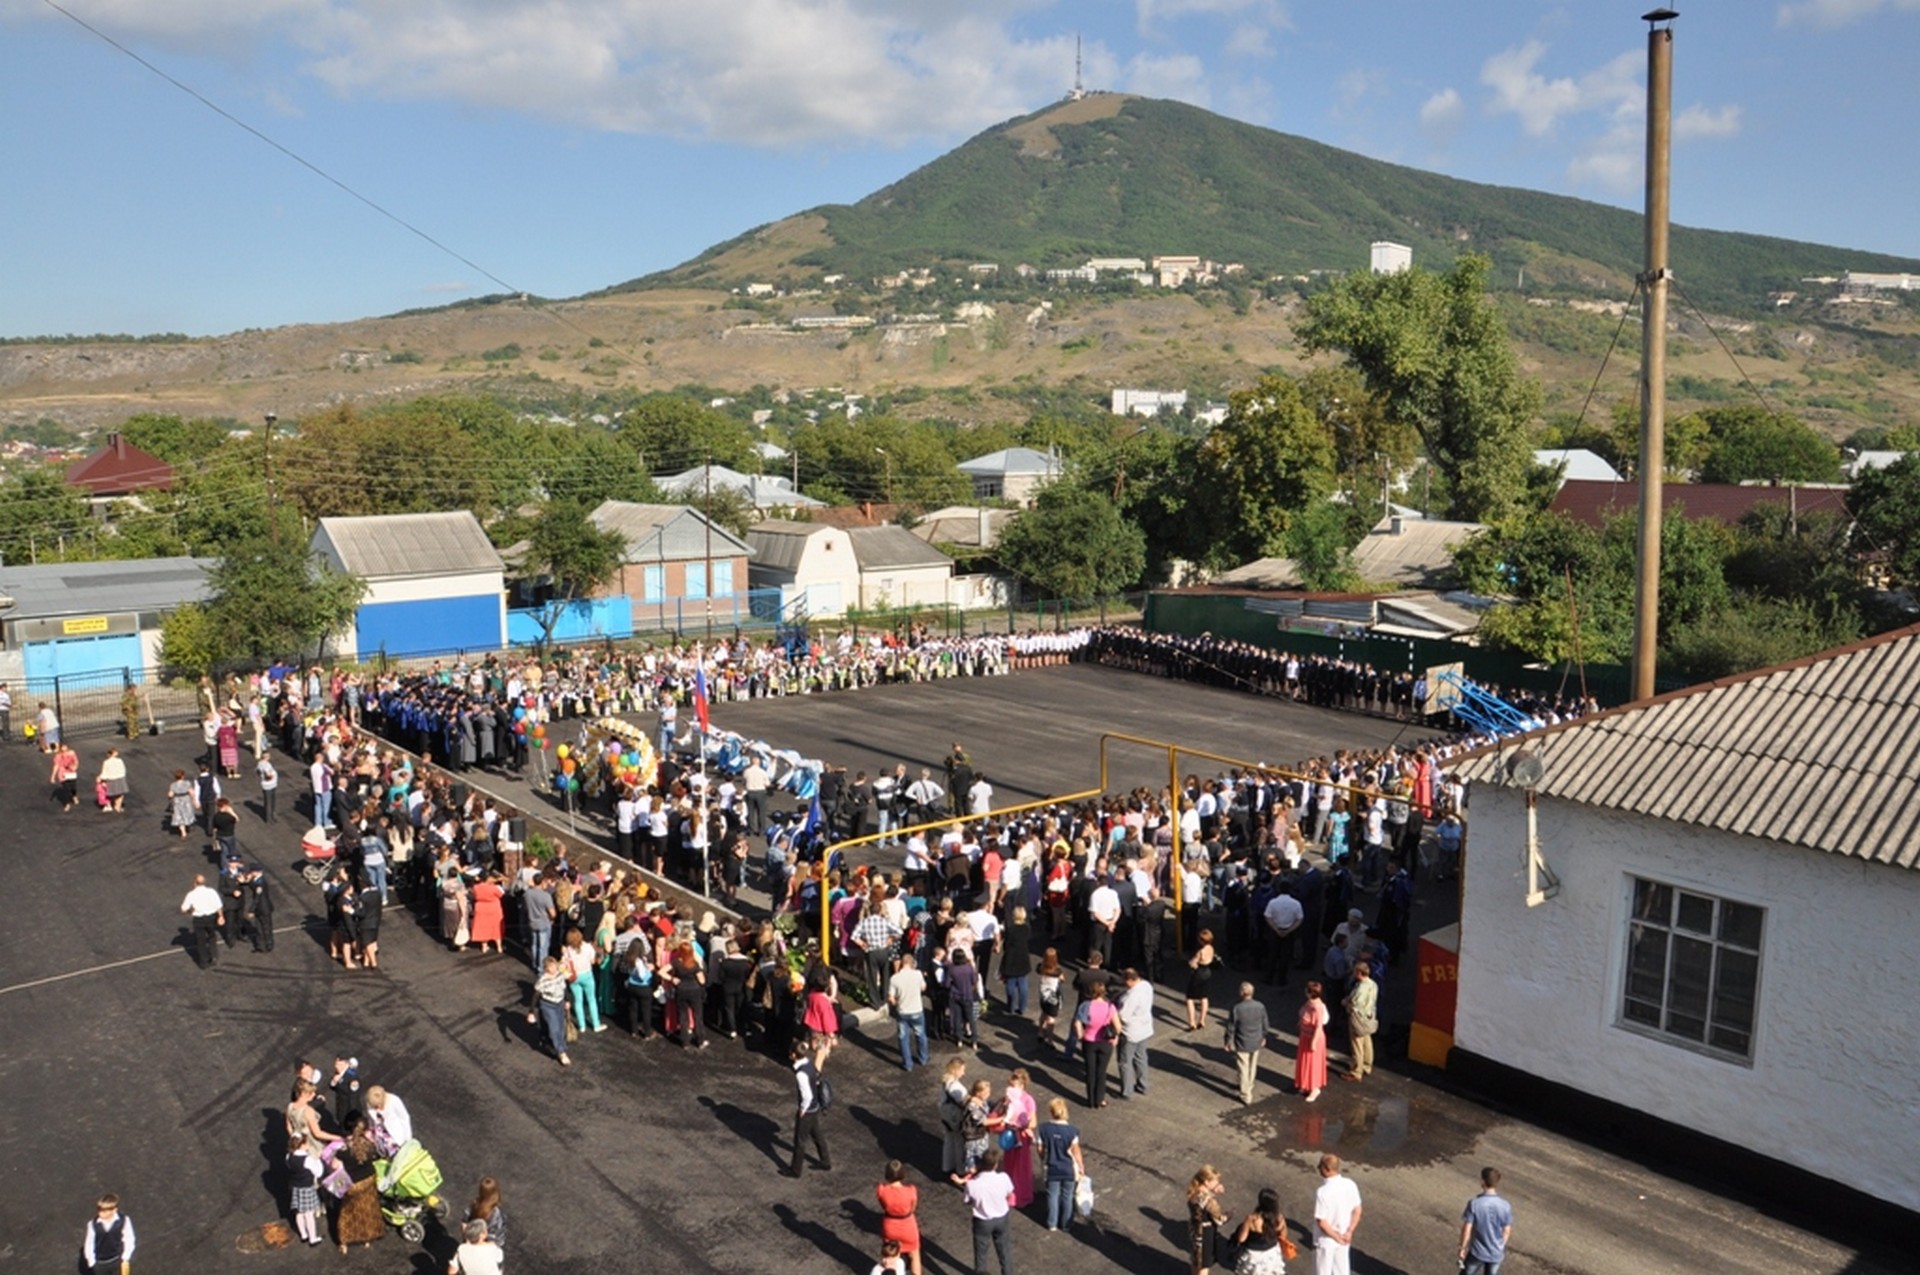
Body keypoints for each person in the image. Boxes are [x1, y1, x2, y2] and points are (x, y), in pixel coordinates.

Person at [332, 1114, 384, 1252]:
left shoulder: (344, 1150)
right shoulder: (370, 1145)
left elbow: (334, 1166)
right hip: (368, 1180)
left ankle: (344, 1242)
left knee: (347, 1212)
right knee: (367, 1209)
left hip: (352, 1184)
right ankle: (366, 1238)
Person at [962, 1147, 1015, 1275]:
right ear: (995, 1164)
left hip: (982, 1221)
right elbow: (1009, 1194)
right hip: (1002, 1217)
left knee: (981, 1254)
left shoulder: (972, 1184)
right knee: (1004, 1252)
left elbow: (967, 1201)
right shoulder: (1003, 1178)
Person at [1033, 1097, 1083, 1233]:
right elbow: (1076, 1151)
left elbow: (1040, 1148)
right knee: (1067, 1196)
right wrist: (1081, 1167)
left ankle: (1052, 1223)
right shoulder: (1072, 1130)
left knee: (1052, 1195)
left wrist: (1043, 1157)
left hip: (1051, 1167)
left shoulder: (1043, 1129)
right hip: (1068, 1168)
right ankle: (1066, 1224)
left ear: (1051, 1111)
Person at [785, 1038, 832, 1176]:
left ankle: (795, 1170)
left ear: (794, 1055)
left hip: (808, 1110)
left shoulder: (800, 1073)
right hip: (815, 1107)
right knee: (817, 1135)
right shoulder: (808, 1063)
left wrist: (802, 1109)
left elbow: (807, 1095)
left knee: (799, 1141)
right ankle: (825, 1161)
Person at [1312, 1153, 1362, 1275]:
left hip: (1326, 1239)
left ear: (1327, 1169)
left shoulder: (1322, 1192)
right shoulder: (1350, 1184)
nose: (1319, 1169)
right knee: (1341, 1271)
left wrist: (1335, 1236)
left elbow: (1321, 1221)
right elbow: (1357, 1210)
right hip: (1345, 1236)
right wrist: (1349, 1231)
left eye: (1320, 1166)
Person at [1224, 982, 1272, 1106]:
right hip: (1256, 1040)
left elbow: (1231, 1026)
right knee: (1252, 1066)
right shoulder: (1260, 1006)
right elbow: (1265, 1023)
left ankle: (1246, 1094)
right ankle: (1249, 1085)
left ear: (1242, 993)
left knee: (1243, 1067)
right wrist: (1264, 1036)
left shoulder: (1237, 1008)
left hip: (1242, 1042)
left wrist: (1228, 1041)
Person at [997, 1067, 1038, 1208]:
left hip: (1021, 1135)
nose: (1010, 1087)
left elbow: (1033, 1122)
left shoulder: (1028, 1100)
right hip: (1010, 1135)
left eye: (1013, 1085)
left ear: (1022, 1085)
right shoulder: (1009, 1097)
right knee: (1009, 1164)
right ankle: (1009, 1193)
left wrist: (1020, 1125)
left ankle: (1021, 1196)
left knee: (1020, 1167)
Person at [1460, 1167, 1513, 1275]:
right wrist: (1500, 1246)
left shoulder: (1474, 1204)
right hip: (1496, 1253)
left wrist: (1462, 1247)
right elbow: (1506, 1230)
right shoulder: (1505, 1206)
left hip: (1477, 1252)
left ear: (1483, 1181)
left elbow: (1467, 1229)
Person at [1074, 981, 1118, 1108]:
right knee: (1101, 1071)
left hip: (1089, 1041)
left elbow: (1077, 1023)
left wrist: (1081, 1036)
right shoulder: (1110, 1006)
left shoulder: (1085, 1005)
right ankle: (1100, 1100)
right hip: (1105, 1042)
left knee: (1090, 1071)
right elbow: (1118, 1026)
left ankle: (1091, 1100)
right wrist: (1115, 1037)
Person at [874, 1160, 923, 1275]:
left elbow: (883, 1206)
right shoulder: (911, 1190)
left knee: (891, 1256)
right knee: (914, 1254)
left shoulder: (882, 1190)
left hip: (890, 1225)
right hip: (907, 1224)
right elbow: (913, 1208)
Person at [1231, 1186, 1291, 1275]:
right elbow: (1283, 1235)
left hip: (1253, 1255)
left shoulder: (1252, 1219)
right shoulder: (1278, 1218)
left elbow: (1241, 1238)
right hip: (1271, 1253)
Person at [1115, 966, 1155, 1100]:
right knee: (1141, 1057)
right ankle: (1143, 1085)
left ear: (1130, 980)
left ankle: (1127, 1091)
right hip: (1145, 1028)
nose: (1124, 984)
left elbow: (1123, 1016)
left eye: (1125, 981)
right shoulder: (1146, 986)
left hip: (1130, 1032)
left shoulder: (1132, 996)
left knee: (1124, 1062)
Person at [888, 953, 929, 1072]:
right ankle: (923, 1058)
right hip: (917, 1010)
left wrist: (896, 1004)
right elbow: (923, 988)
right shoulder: (917, 974)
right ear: (912, 963)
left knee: (903, 1038)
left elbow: (891, 997)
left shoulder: (894, 978)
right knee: (920, 1035)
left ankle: (908, 1064)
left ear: (902, 963)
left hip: (902, 1011)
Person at [527, 956, 571, 1067]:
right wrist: (531, 1011)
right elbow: (535, 996)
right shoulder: (543, 980)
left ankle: (559, 1044)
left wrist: (567, 1000)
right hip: (548, 1005)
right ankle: (561, 1052)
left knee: (560, 1027)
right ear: (546, 968)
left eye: (555, 965)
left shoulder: (560, 974)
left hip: (559, 1003)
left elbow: (564, 988)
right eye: (552, 967)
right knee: (554, 1027)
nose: (554, 968)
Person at [1186, 1165, 1229, 1275]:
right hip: (1205, 1234)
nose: (1218, 1183)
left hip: (1195, 1230)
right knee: (1204, 1265)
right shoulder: (1209, 1200)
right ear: (1206, 1182)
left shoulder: (1193, 1192)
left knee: (1196, 1261)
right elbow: (1220, 1219)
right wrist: (1229, 1215)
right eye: (1215, 1181)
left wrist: (1214, 1191)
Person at [1341, 961, 1378, 1083]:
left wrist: (1346, 1003)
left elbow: (1355, 1004)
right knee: (1367, 1041)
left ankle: (1357, 1071)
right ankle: (1367, 1065)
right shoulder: (1373, 984)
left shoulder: (1361, 987)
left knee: (1357, 1044)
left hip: (1357, 1018)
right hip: (1368, 1017)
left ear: (1359, 973)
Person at [286, 1132, 325, 1247]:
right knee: (309, 1214)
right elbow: (318, 1172)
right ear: (302, 1145)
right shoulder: (307, 1159)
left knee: (299, 1212)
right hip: (307, 1188)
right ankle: (313, 1238)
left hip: (295, 1187)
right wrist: (317, 1160)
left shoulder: (289, 1157)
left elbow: (289, 1166)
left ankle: (303, 1235)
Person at [80, 1193, 135, 1273]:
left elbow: (129, 1238)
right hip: (100, 1263)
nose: (100, 1214)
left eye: (104, 1211)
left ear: (114, 1210)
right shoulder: (92, 1224)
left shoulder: (124, 1221)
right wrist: (92, 1262)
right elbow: (89, 1243)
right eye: (99, 1210)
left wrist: (125, 1257)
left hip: (117, 1260)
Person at [180, 873, 224, 970]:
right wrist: (221, 916)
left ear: (195, 883)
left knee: (201, 940)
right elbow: (218, 905)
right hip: (211, 918)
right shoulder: (211, 892)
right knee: (212, 936)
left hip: (199, 919)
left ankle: (203, 962)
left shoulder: (191, 894)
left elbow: (183, 909)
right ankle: (214, 956)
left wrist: (190, 911)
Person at [1295, 981, 1329, 1103]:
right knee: (1305, 1061)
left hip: (1313, 1038)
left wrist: (1313, 1042)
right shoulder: (1309, 1003)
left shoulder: (1318, 1008)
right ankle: (1306, 1084)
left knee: (1312, 1063)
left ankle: (1315, 1088)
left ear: (1310, 993)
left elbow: (1318, 1027)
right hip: (1305, 1036)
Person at [938, 1057, 970, 1177]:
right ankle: (960, 1169)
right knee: (959, 1142)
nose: (964, 1073)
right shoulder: (955, 1086)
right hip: (955, 1116)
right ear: (956, 1070)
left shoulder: (945, 1080)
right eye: (962, 1070)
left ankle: (947, 1165)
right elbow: (964, 1102)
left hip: (945, 1114)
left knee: (948, 1139)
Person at [1185, 928, 1220, 1031]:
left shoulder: (1200, 951)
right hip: (1207, 972)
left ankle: (1192, 1022)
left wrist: (1190, 962)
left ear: (1201, 940)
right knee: (1204, 997)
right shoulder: (1211, 948)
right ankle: (1202, 1020)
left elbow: (1193, 964)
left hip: (1199, 973)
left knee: (1189, 998)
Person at [467, 1177, 507, 1264]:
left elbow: (466, 1219)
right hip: (489, 1244)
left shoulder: (475, 1204)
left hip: (475, 1239)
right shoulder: (496, 1212)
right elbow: (497, 1235)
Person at [366, 1085, 413, 1150]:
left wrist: (408, 1139)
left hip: (399, 1138)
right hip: (384, 1140)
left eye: (379, 1105)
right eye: (375, 1107)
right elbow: (373, 1120)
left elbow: (404, 1118)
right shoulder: (371, 1103)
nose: (377, 1109)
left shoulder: (394, 1101)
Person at [469, 874, 505, 953]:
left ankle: (484, 946)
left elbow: (473, 896)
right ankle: (499, 946)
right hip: (493, 907)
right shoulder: (494, 887)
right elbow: (501, 894)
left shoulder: (475, 887)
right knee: (496, 927)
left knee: (482, 926)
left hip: (481, 907)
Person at [50, 741, 80, 812]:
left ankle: (74, 796)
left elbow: (76, 761)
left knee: (73, 787)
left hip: (71, 771)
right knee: (66, 789)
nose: (64, 748)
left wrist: (75, 767)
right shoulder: (58, 756)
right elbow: (56, 766)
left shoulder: (72, 753)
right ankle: (67, 804)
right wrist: (53, 776)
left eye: (65, 746)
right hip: (63, 773)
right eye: (62, 747)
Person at [96, 748, 128, 813]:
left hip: (111, 779)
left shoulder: (106, 762)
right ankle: (117, 806)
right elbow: (123, 770)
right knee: (120, 793)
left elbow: (104, 772)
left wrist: (100, 778)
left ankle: (111, 805)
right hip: (120, 778)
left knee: (112, 793)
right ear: (115, 753)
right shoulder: (120, 761)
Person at [167, 770, 195, 838]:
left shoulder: (173, 785)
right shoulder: (187, 783)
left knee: (179, 816)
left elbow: (170, 795)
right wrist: (194, 799)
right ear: (183, 776)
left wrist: (170, 796)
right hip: (186, 800)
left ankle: (183, 832)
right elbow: (192, 793)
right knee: (187, 813)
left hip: (177, 801)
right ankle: (187, 824)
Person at [257, 754, 279, 824]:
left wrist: (261, 777)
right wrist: (272, 776)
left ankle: (269, 816)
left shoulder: (259, 763)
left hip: (265, 785)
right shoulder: (266, 765)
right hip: (270, 785)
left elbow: (257, 772)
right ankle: (270, 818)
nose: (269, 757)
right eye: (268, 756)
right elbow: (268, 775)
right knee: (270, 802)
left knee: (268, 802)